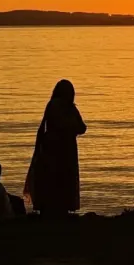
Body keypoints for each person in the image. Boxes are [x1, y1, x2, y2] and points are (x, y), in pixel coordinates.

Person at [25, 79, 87, 214]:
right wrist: (71, 129)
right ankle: (60, 208)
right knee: (61, 177)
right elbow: (79, 127)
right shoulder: (65, 107)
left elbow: (80, 127)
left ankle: (53, 208)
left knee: (54, 178)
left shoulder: (60, 106)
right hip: (59, 149)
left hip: (57, 148)